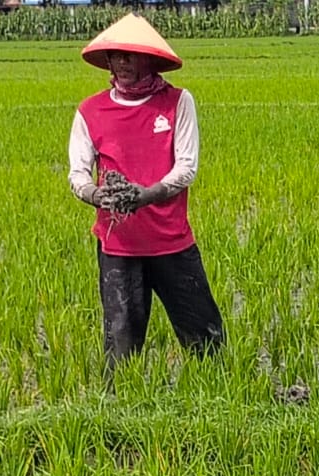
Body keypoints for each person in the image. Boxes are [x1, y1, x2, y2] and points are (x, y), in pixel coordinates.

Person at [68, 14, 224, 378]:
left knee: (205, 340)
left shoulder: (178, 103)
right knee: (121, 348)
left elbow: (186, 167)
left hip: (171, 242)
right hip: (118, 247)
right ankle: (122, 413)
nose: (121, 63)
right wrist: (97, 195)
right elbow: (78, 172)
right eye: (116, 56)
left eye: (130, 55)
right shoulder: (90, 111)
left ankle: (216, 403)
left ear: (150, 60)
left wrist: (147, 194)